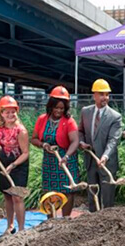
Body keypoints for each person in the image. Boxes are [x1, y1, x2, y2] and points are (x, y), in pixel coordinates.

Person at [31, 86, 79, 216]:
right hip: (49, 161)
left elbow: (75, 141)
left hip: (65, 160)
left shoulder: (69, 122)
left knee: (67, 191)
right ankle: (51, 220)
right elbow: (34, 139)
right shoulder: (42, 119)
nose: (58, 111)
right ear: (51, 106)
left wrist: (66, 157)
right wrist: (44, 145)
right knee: (49, 192)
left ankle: (66, 220)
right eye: (56, 107)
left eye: (61, 108)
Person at [0, 96, 29, 236]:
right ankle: (10, 226)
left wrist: (13, 165)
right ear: (1, 113)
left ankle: (22, 229)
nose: (10, 115)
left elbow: (26, 153)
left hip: (18, 164)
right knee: (7, 195)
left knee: (17, 196)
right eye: (7, 112)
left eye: (13, 112)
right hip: (3, 162)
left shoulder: (21, 130)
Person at [77, 79, 122, 211]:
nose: (105, 98)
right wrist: (81, 142)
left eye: (107, 94)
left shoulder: (115, 116)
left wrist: (105, 156)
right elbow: (80, 131)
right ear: (94, 95)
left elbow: (113, 140)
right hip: (91, 161)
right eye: (101, 94)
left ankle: (108, 226)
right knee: (92, 197)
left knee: (107, 200)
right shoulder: (85, 112)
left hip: (107, 163)